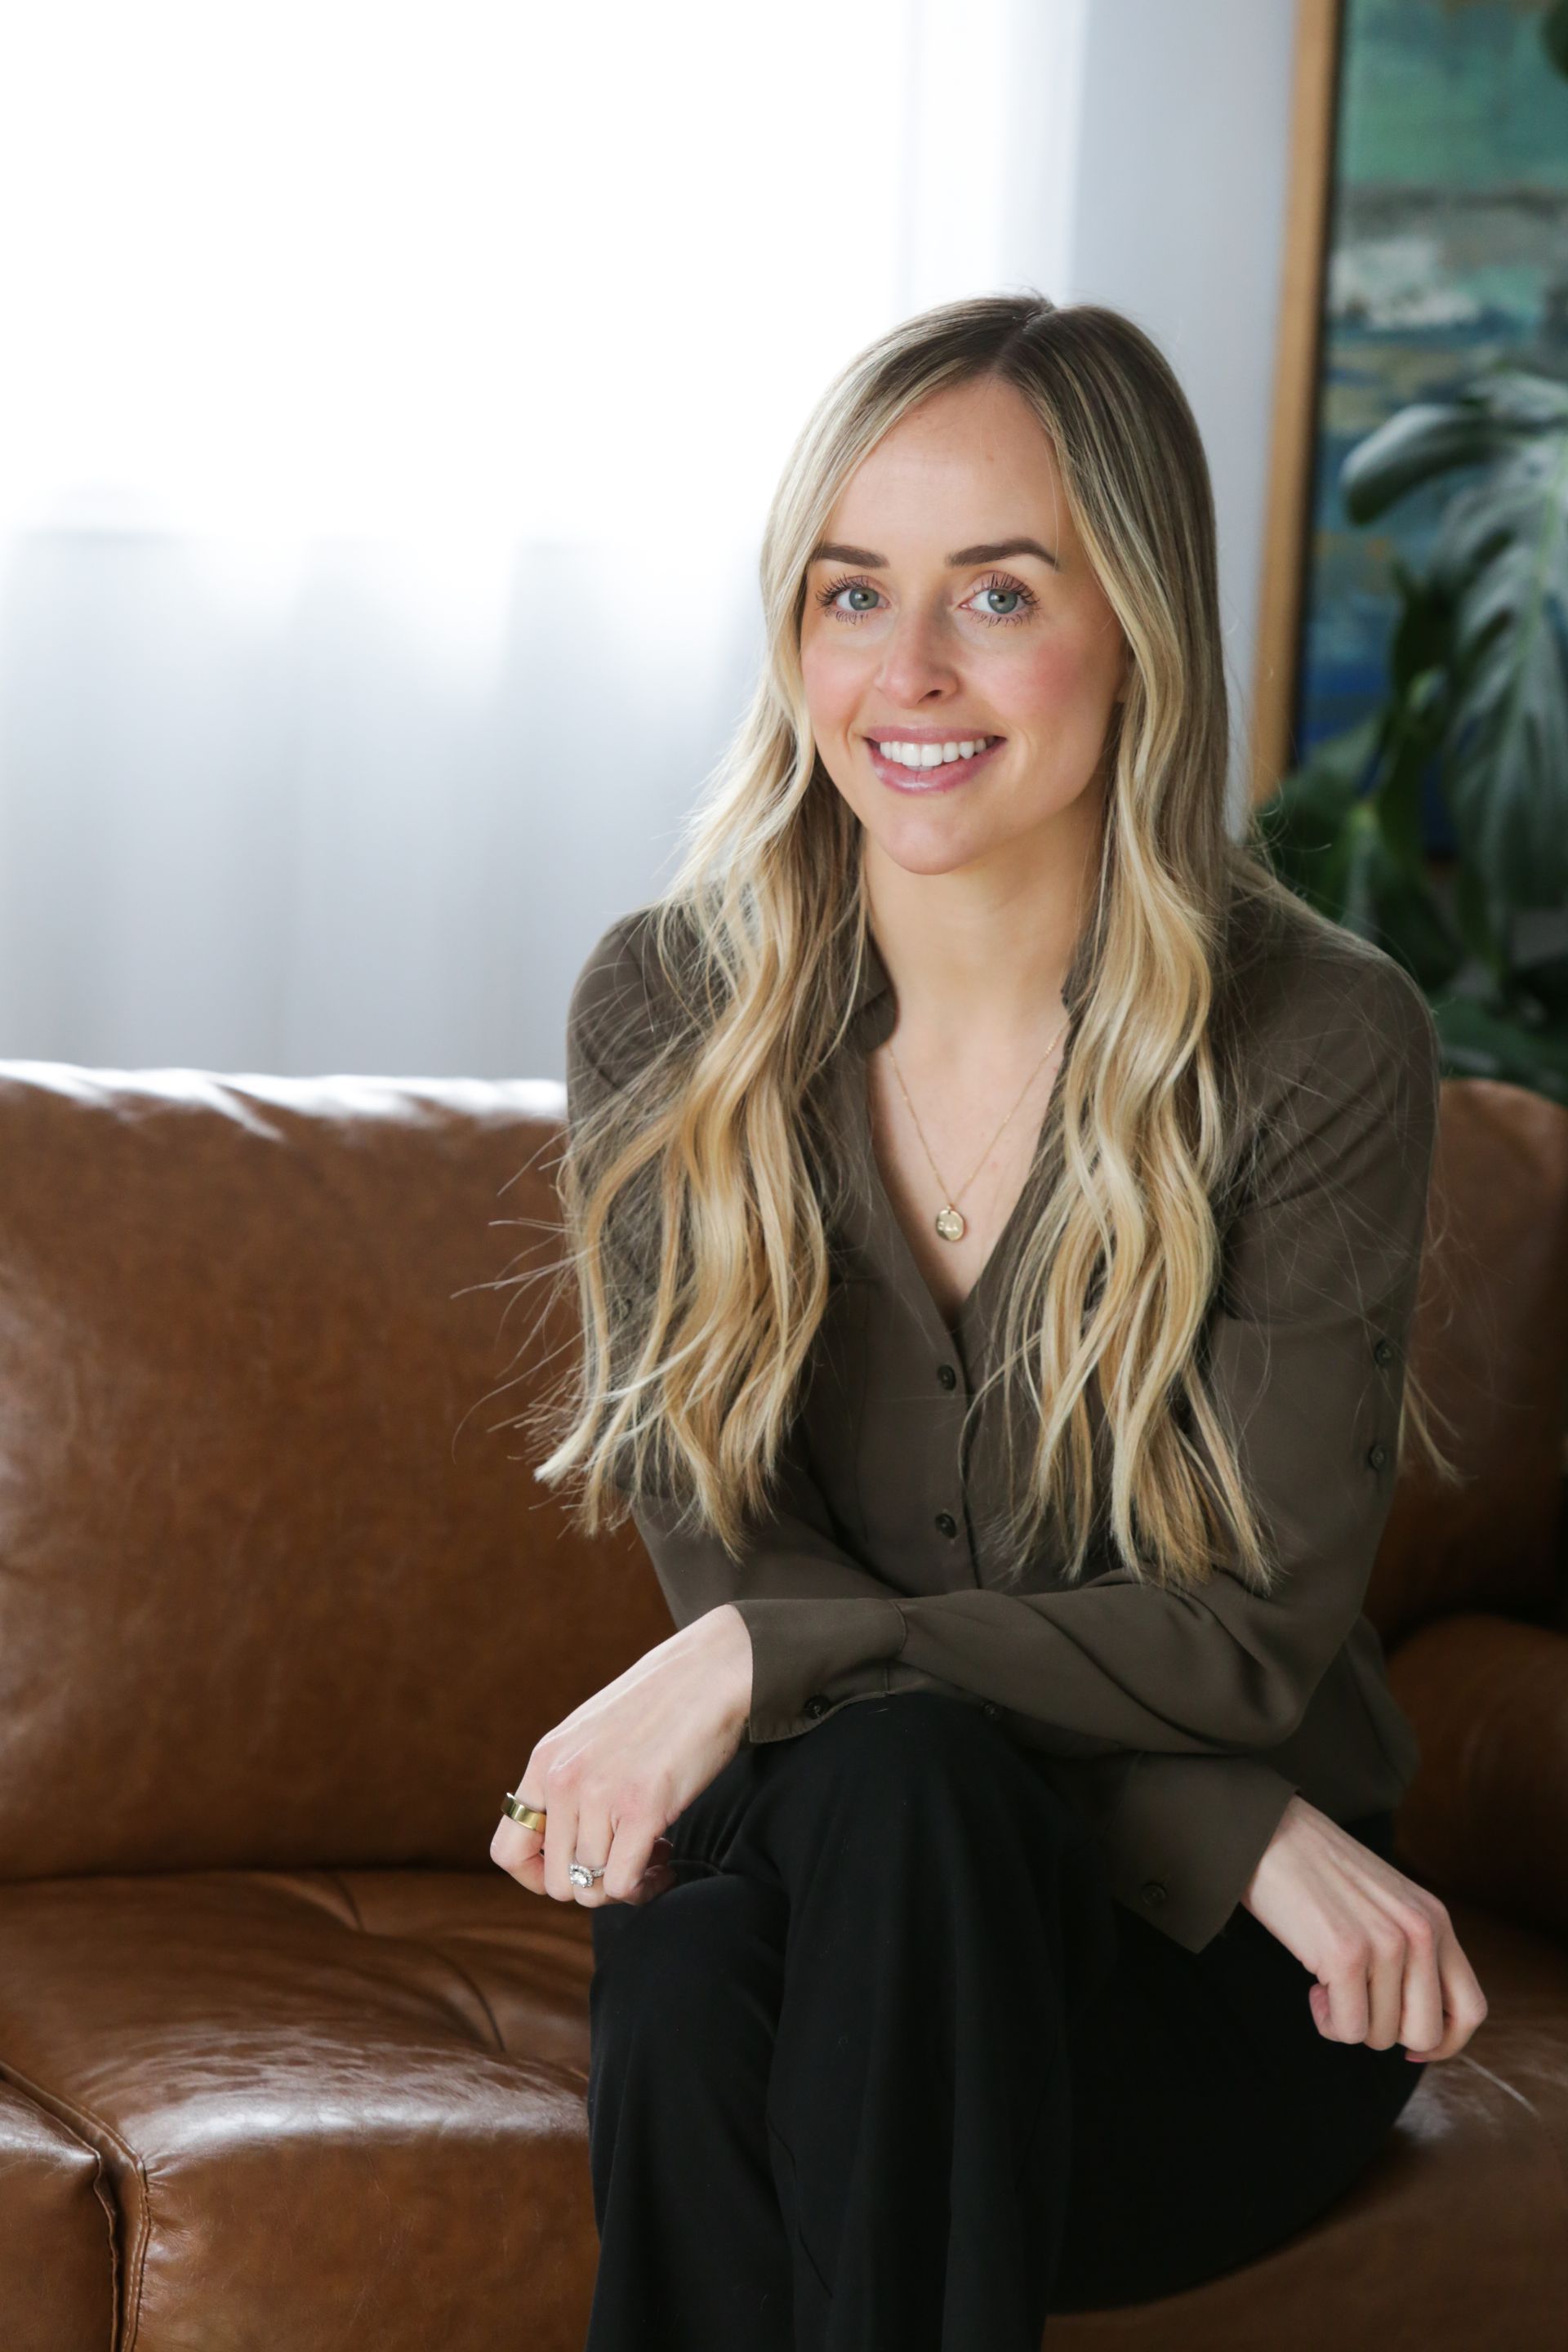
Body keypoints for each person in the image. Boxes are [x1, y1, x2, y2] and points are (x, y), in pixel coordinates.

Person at [490, 292, 1490, 2350]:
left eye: (997, 592)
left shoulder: (1316, 1041)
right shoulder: (668, 1015)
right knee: (828, 1851)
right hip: (971, 1882)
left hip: (1210, 1998)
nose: (908, 674)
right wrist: (1218, 1815)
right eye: (854, 593)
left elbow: (1237, 1639)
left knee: (746, 1936)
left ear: (1131, 627)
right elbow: (733, 1551)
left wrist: (769, 1658)